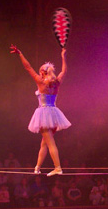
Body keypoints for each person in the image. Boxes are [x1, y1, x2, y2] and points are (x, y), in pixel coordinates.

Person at [10, 44, 71, 176]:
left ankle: (58, 167)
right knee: (44, 143)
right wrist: (63, 56)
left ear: (43, 73)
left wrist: (20, 53)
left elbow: (28, 67)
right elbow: (64, 71)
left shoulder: (41, 81)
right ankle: (37, 167)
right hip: (54, 115)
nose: (38, 73)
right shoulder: (57, 82)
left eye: (40, 71)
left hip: (44, 114)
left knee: (50, 143)